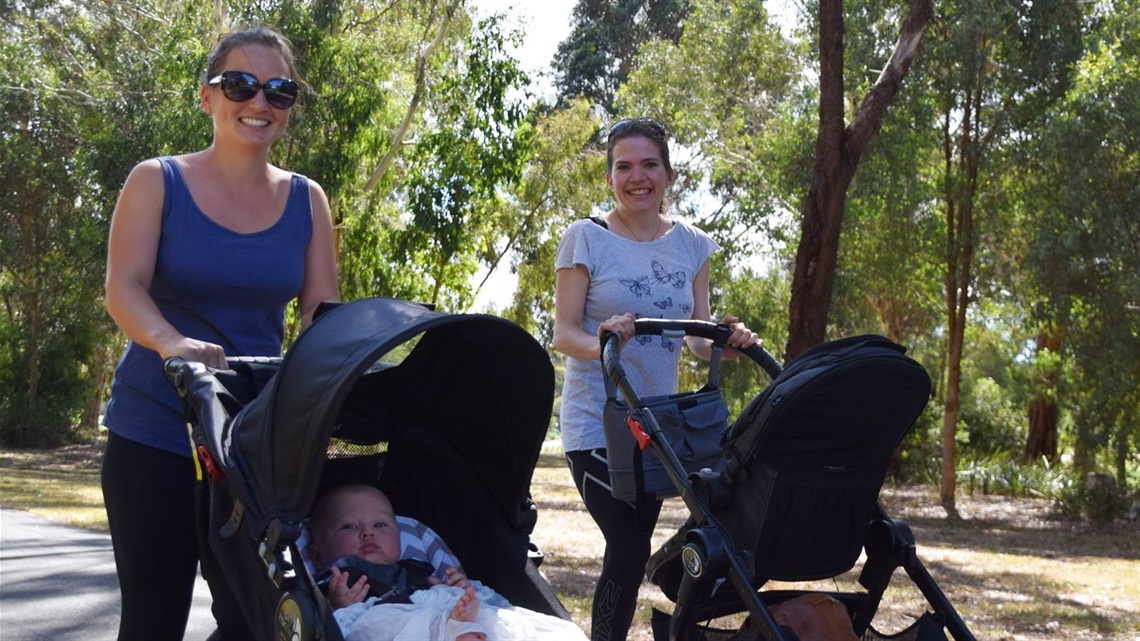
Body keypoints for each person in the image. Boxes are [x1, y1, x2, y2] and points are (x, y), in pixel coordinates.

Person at [100, 25, 339, 641]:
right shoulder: (157, 181)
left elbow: (321, 318)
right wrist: (170, 341)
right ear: (208, 96)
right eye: (241, 85)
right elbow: (123, 288)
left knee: (256, 622)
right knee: (153, 620)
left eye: (279, 91)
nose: (259, 103)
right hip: (157, 433)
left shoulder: (307, 201)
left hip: (252, 448)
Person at [551, 117, 761, 641]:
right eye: (624, 166)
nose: (636, 177)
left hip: (657, 429)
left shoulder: (692, 244)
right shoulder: (587, 238)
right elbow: (564, 334)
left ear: (669, 175)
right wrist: (605, 337)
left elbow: (694, 337)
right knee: (627, 546)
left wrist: (727, 337)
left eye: (649, 165)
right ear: (609, 178)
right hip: (598, 426)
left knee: (639, 546)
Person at [308, 483, 589, 641]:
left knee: (495, 617)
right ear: (317, 554)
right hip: (383, 624)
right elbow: (332, 630)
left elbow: (469, 598)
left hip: (434, 615)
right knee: (380, 623)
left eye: (381, 524)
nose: (367, 532)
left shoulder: (422, 570)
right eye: (348, 527)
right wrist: (336, 608)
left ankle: (461, 628)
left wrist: (458, 590)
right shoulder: (333, 581)